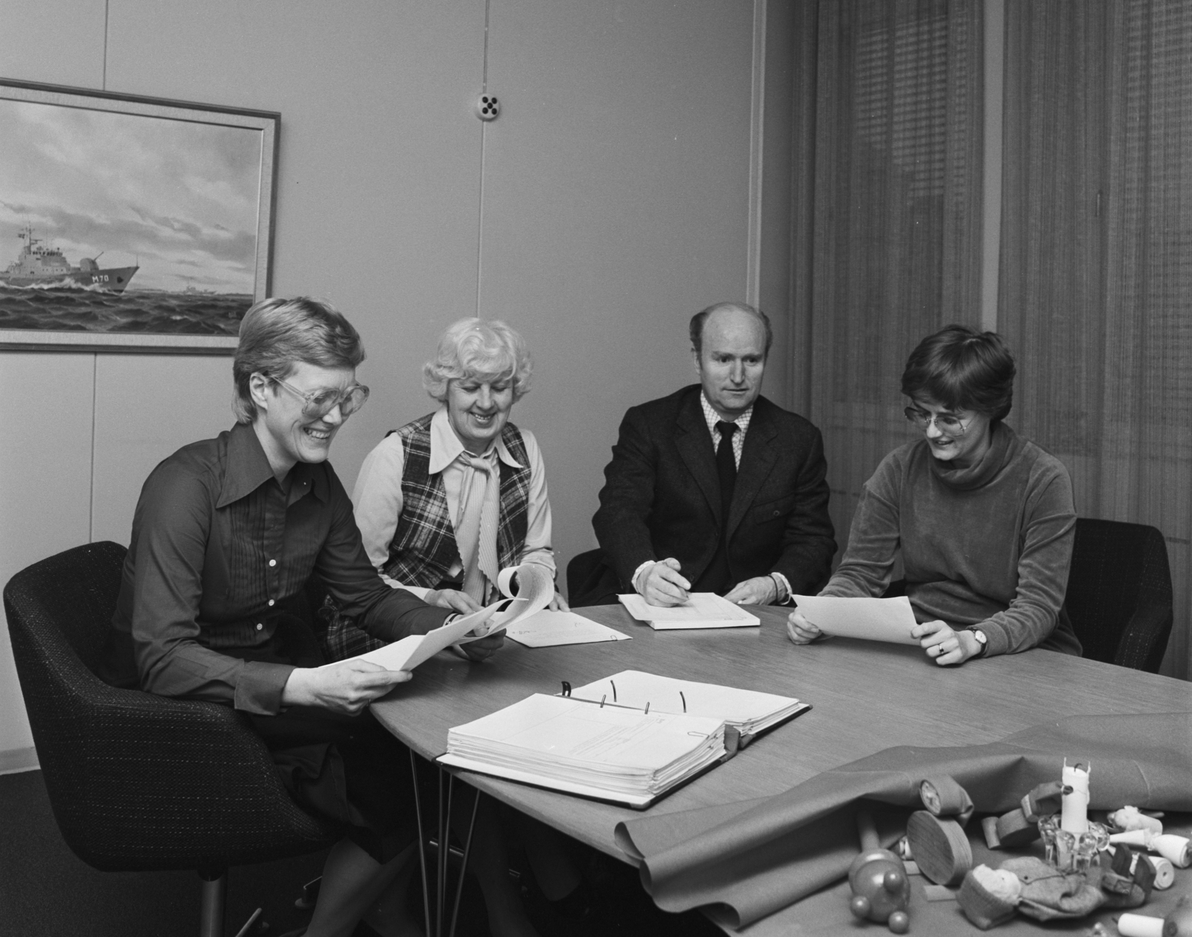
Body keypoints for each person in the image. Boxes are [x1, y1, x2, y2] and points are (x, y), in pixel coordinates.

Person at [99, 297, 500, 937]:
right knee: (400, 776)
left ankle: (365, 909)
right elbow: (163, 659)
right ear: (260, 388)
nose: (336, 417)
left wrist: (458, 630)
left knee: (429, 760)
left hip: (267, 682)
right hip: (177, 715)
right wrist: (305, 686)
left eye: (348, 397)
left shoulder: (319, 484)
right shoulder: (185, 485)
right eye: (320, 398)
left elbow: (365, 597)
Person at [320, 316, 576, 937]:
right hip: (390, 638)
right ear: (444, 387)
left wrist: (533, 590)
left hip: (483, 644)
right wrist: (433, 601)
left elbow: (538, 552)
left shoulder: (525, 449)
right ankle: (519, 898)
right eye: (470, 387)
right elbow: (354, 584)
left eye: (500, 387)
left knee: (526, 731)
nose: (486, 402)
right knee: (462, 758)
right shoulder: (395, 455)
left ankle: (539, 891)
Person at [787, 324, 1081, 664]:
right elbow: (860, 574)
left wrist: (973, 639)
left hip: (1020, 652)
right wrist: (822, 614)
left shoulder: (1042, 479)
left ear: (991, 409)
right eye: (921, 413)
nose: (931, 431)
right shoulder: (899, 469)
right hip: (925, 644)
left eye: (949, 419)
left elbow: (1038, 607)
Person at [580, 301, 835, 608]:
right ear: (697, 360)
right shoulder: (650, 425)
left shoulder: (798, 439)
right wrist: (645, 573)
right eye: (723, 359)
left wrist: (775, 585)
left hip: (754, 611)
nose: (738, 376)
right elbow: (619, 512)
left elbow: (813, 540)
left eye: (751, 360)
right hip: (663, 602)